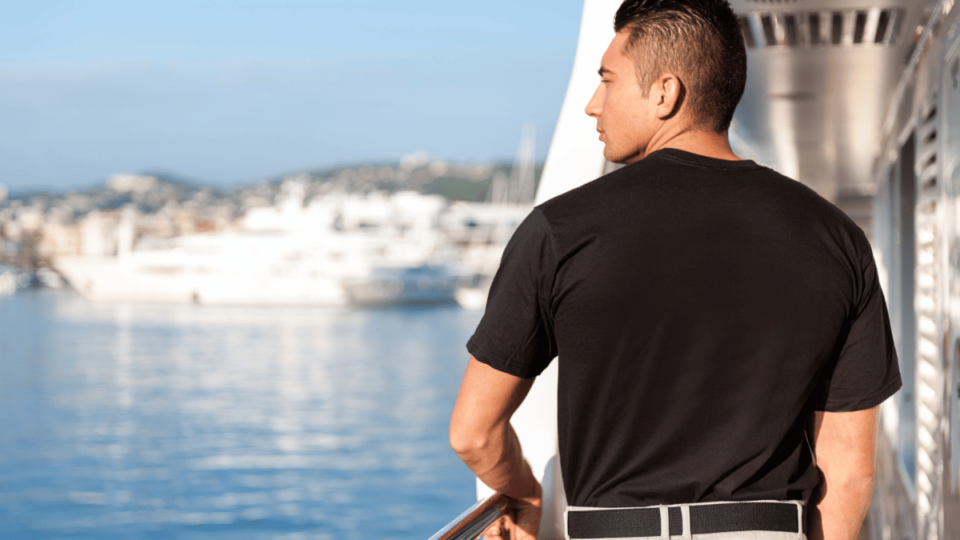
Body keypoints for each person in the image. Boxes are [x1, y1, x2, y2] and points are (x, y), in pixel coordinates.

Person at [449, 1, 902, 539]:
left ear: (666, 93)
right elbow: (850, 473)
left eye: (608, 81)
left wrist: (524, 492)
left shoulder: (561, 229)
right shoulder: (837, 238)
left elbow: (473, 434)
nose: (593, 105)